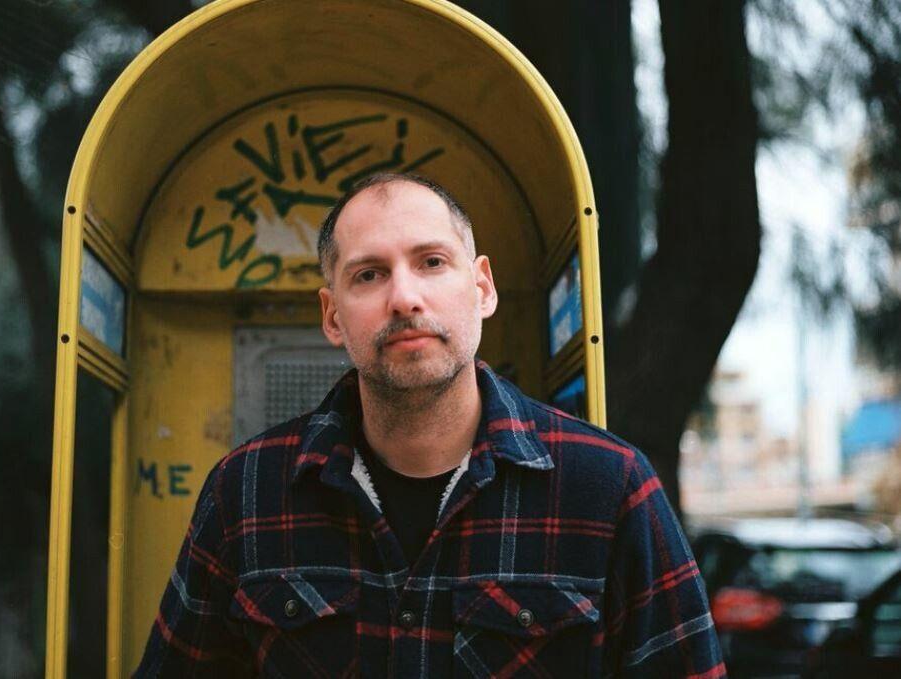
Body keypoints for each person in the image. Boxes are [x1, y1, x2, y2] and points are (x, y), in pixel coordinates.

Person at [135, 173, 725, 678]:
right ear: (332, 316)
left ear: (482, 288)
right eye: (369, 275)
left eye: (432, 262)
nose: (404, 297)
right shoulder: (245, 492)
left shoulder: (610, 488)